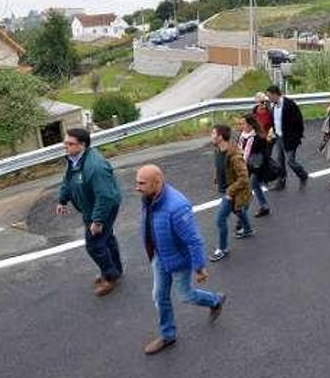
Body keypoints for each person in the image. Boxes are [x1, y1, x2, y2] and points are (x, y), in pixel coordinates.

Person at [136, 164, 227, 355]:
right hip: (160, 256)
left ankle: (215, 300)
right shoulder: (148, 197)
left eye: (142, 183)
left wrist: (199, 267)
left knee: (185, 295)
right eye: (137, 182)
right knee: (159, 296)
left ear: (157, 181)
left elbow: (194, 240)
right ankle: (168, 335)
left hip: (178, 260)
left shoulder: (177, 207)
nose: (137, 187)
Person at [55, 128, 123, 296]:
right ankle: (116, 270)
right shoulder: (74, 160)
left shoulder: (95, 166)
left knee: (94, 245)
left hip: (103, 208)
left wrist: (98, 221)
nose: (66, 147)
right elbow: (68, 180)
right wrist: (62, 200)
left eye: (70, 144)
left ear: (82, 145)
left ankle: (110, 276)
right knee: (106, 239)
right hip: (90, 207)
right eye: (65, 143)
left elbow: (106, 196)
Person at [209, 123, 254, 262]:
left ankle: (222, 249)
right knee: (238, 210)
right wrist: (217, 178)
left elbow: (244, 178)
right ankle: (247, 230)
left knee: (220, 219)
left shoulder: (235, 155)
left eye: (213, 134)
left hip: (233, 192)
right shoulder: (217, 149)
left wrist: (230, 191)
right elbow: (220, 166)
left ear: (220, 137)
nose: (211, 136)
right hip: (227, 190)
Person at [266, 85, 309, 190]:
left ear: (275, 94)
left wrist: (297, 137)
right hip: (279, 137)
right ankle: (281, 182)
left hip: (290, 139)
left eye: (270, 96)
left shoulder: (289, 104)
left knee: (290, 161)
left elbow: (299, 121)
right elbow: (274, 121)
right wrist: (273, 132)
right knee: (280, 160)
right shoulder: (273, 106)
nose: (269, 98)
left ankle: (303, 175)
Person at [236, 114, 273, 218]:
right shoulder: (242, 136)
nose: (241, 126)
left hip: (257, 168)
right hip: (247, 166)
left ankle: (242, 216)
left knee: (250, 187)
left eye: (243, 123)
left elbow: (262, 155)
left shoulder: (258, 138)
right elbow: (239, 150)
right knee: (255, 186)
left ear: (251, 125)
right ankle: (264, 206)